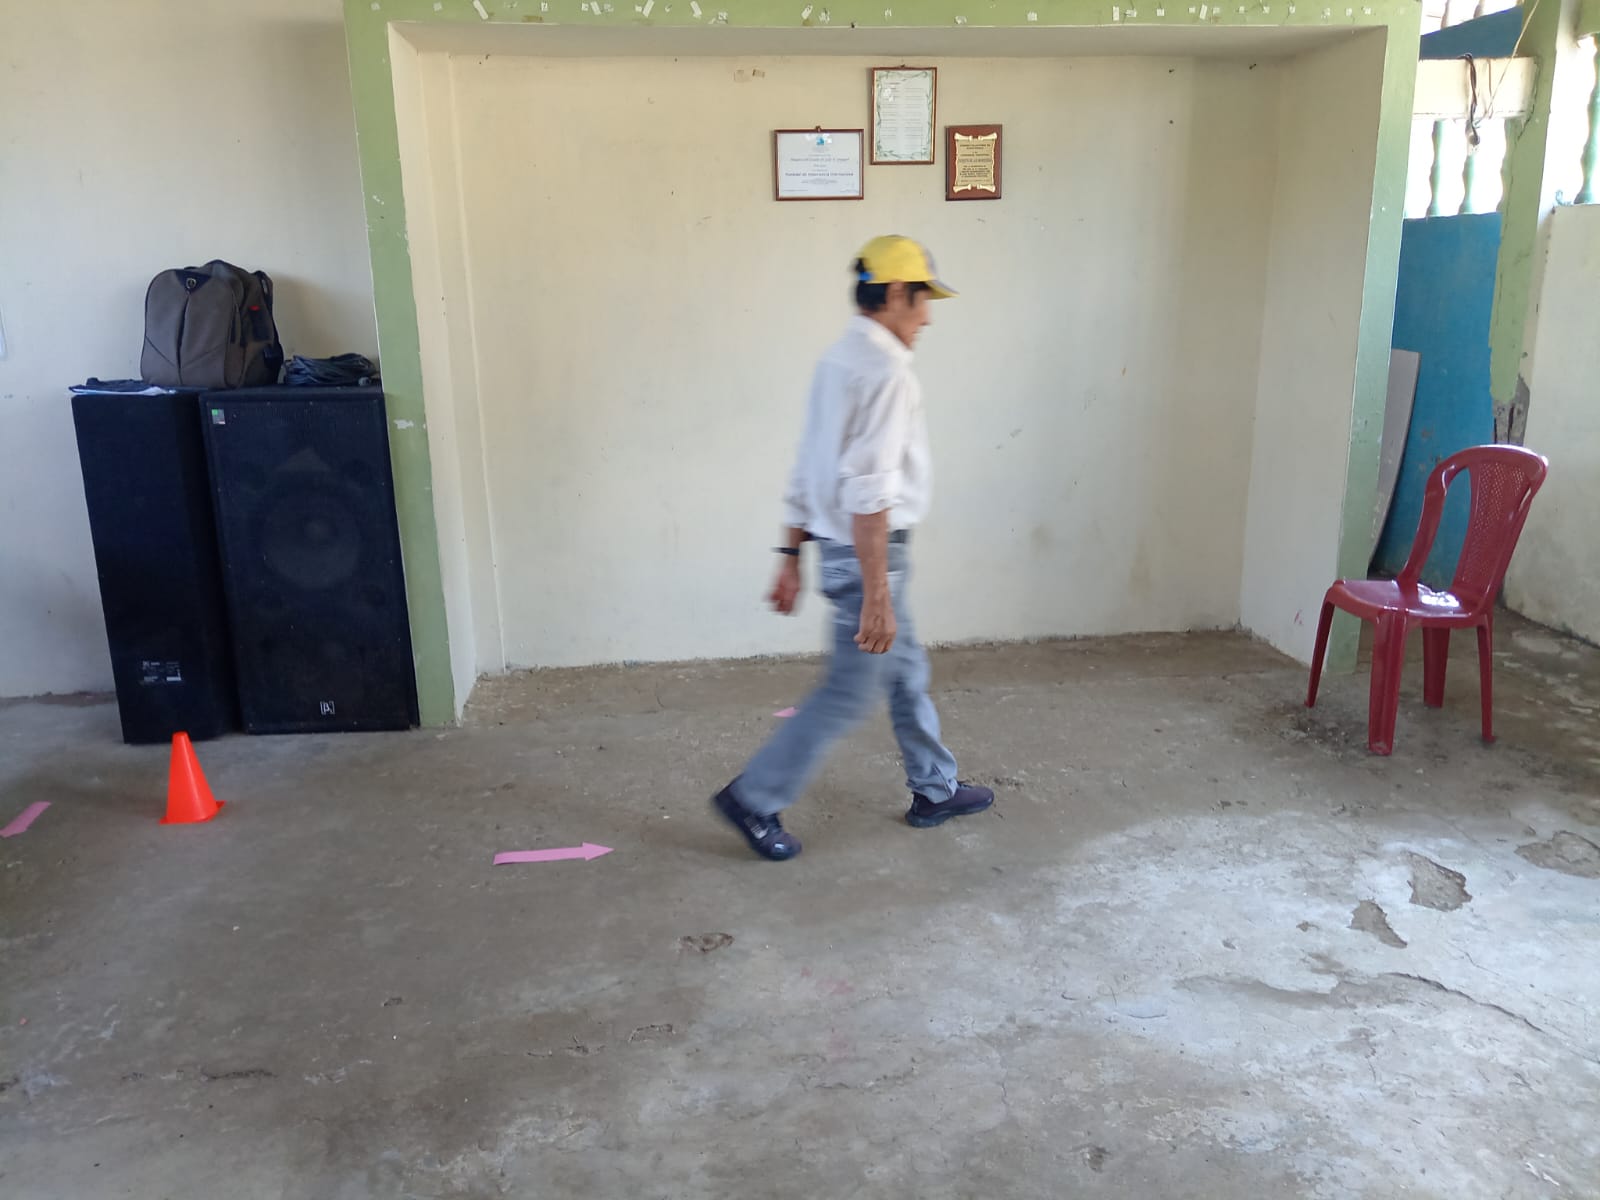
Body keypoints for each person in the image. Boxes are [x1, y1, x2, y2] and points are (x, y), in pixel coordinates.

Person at [710, 235, 994, 862]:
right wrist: (877, 595)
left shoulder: (836, 360)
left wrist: (790, 555)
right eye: (922, 299)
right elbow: (869, 493)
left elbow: (807, 467)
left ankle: (935, 788)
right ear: (894, 294)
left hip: (841, 548)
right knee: (849, 691)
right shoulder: (887, 373)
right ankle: (754, 797)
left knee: (906, 674)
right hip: (869, 554)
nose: (928, 317)